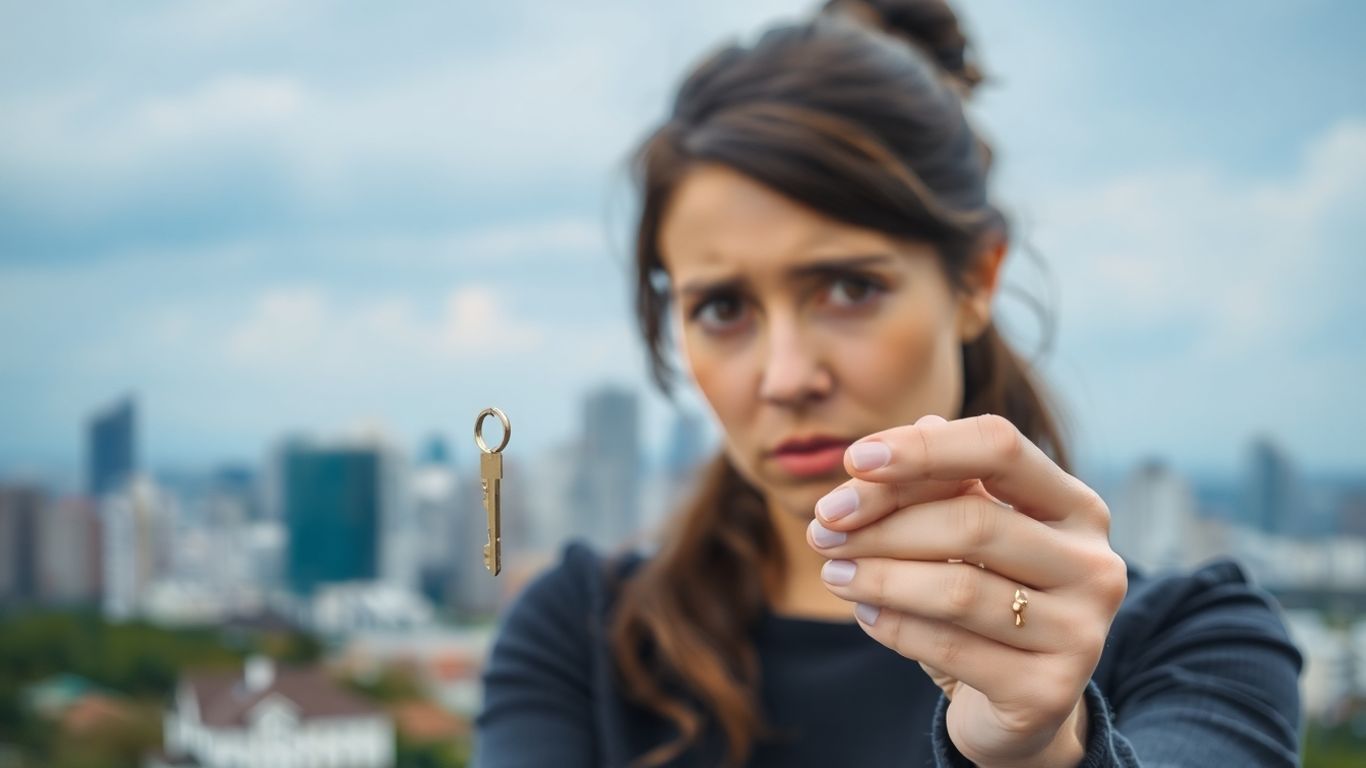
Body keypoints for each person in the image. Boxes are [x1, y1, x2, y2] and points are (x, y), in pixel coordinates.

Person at [474, 1, 1304, 766]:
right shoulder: (581, 635)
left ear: (976, 279)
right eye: (723, 306)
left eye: (849, 288)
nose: (788, 377)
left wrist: (1043, 750)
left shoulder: (1197, 642)